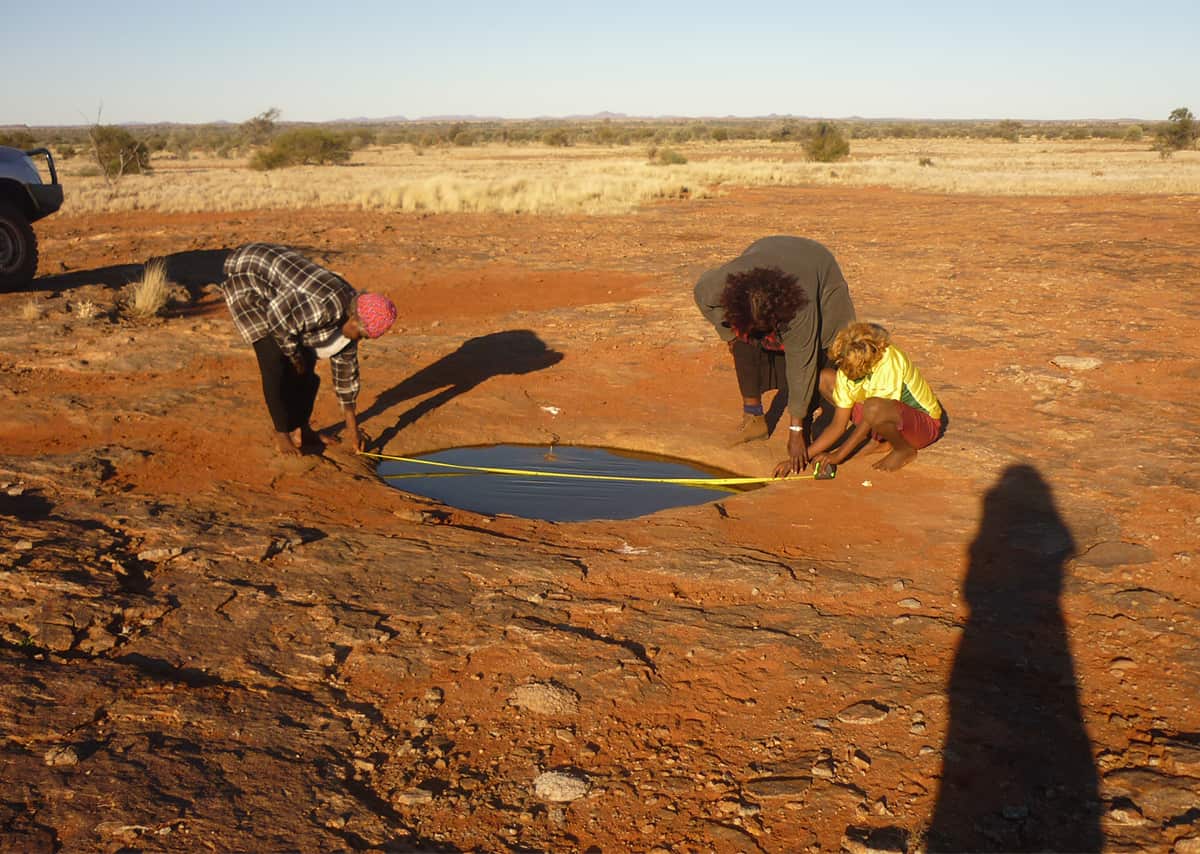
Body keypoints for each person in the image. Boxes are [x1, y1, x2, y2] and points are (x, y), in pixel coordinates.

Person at [694, 236, 856, 471]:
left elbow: (803, 364)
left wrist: (796, 431)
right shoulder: (722, 285)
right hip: (767, 255)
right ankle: (754, 420)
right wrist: (727, 332)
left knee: (820, 356)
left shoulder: (801, 307)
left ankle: (814, 419)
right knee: (741, 341)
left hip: (819, 278)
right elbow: (700, 294)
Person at [220, 242, 397, 456]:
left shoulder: (350, 321)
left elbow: (346, 377)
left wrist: (353, 430)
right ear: (355, 317)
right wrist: (293, 355)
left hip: (285, 298)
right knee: (275, 362)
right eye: (361, 333)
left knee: (306, 365)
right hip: (251, 276)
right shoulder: (326, 306)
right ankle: (282, 434)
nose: (359, 339)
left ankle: (302, 429)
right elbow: (277, 316)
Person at [780, 321, 943, 475]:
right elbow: (838, 425)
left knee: (873, 407)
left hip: (923, 425)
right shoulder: (848, 361)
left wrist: (838, 455)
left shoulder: (889, 360)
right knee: (826, 379)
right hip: (882, 414)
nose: (847, 375)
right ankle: (881, 440)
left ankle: (903, 450)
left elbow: (870, 416)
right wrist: (800, 458)